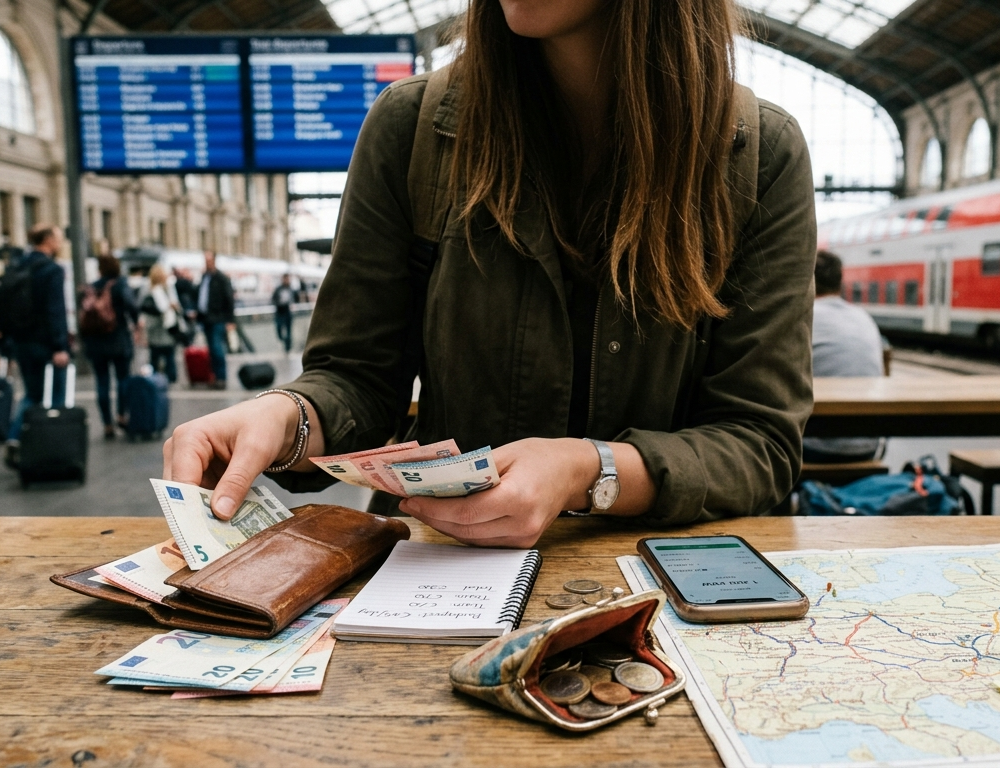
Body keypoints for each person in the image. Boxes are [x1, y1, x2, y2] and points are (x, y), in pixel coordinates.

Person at [162, 0, 816, 547]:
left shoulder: (757, 153)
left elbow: (760, 441)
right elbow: (358, 379)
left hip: (662, 577)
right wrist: (287, 419)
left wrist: (591, 470)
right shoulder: (412, 127)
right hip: (442, 574)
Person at [802, 250, 885, 464]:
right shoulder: (863, 317)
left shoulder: (803, 316)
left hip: (814, 448)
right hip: (867, 448)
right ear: (840, 281)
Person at [4, 224, 70, 466]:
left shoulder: (17, 265)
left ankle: (15, 438)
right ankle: (52, 446)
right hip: (45, 343)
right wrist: (60, 346)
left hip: (21, 341)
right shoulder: (51, 270)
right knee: (56, 396)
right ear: (49, 240)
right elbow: (55, 311)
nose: (61, 242)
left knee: (32, 394)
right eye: (59, 238)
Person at [80, 255, 139, 439]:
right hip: (118, 339)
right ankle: (121, 415)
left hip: (95, 342)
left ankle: (107, 424)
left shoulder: (91, 287)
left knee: (102, 381)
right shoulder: (120, 285)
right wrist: (135, 323)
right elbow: (132, 306)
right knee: (123, 379)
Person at [195, 252, 235, 389]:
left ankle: (221, 378)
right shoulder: (204, 277)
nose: (207, 263)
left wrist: (230, 320)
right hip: (205, 319)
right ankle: (214, 376)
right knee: (211, 350)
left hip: (218, 319)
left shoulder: (221, 278)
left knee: (217, 349)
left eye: (209, 260)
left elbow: (229, 299)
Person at [141, 264, 182, 383]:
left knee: (162, 354)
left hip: (166, 326)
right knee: (162, 354)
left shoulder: (167, 288)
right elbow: (144, 307)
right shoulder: (150, 289)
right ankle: (163, 377)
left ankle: (165, 377)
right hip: (157, 326)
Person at [271, 273, 301, 353]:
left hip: (288, 312)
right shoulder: (278, 289)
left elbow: (296, 299)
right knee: (279, 329)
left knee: (288, 331)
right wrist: (279, 304)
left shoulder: (292, 289)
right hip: (279, 312)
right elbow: (273, 299)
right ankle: (284, 341)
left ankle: (288, 347)